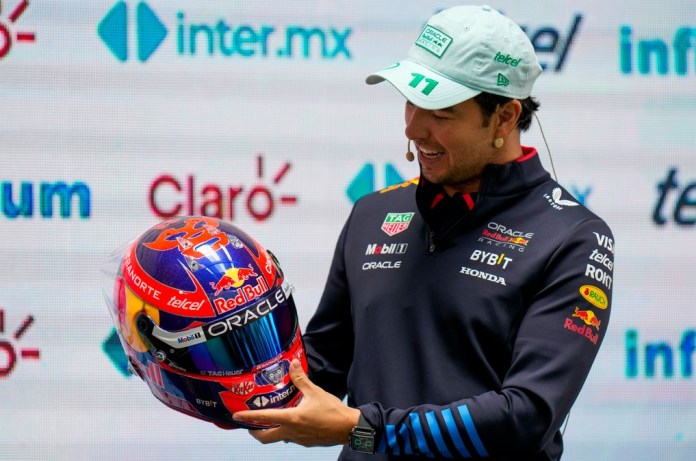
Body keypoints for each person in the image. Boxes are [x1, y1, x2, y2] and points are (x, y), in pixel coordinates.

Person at [233, 5, 614, 460]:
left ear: (505, 117)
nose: (414, 127)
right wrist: (203, 352)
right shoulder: (373, 212)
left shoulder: (573, 236)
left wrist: (364, 430)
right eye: (411, 101)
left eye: (442, 112)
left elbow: (526, 416)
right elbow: (321, 371)